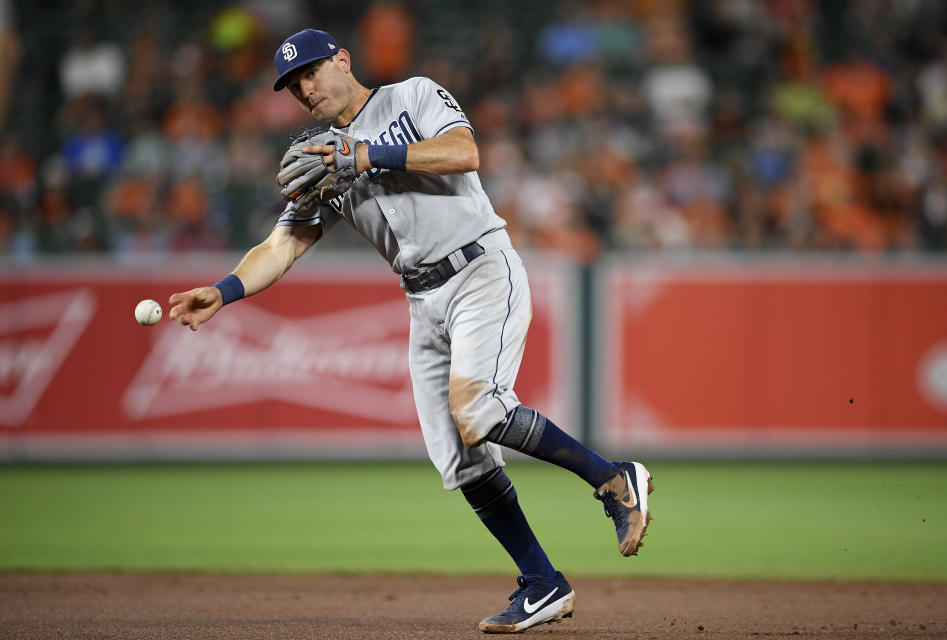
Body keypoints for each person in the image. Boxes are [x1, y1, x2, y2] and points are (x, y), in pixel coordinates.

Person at [168, 28, 654, 634]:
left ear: (343, 60)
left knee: (478, 410)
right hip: (423, 299)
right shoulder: (319, 155)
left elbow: (464, 153)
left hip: (479, 266)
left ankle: (612, 476)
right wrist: (225, 289)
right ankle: (542, 582)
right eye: (294, 86)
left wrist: (370, 154)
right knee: (462, 459)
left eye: (313, 72)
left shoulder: (414, 97)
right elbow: (284, 241)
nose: (305, 88)